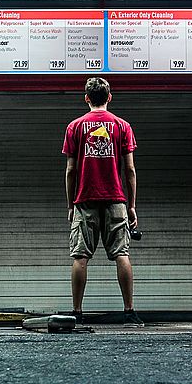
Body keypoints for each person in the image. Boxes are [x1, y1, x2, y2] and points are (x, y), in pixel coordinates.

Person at [62, 77, 143, 327]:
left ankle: (77, 312)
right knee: (122, 254)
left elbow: (70, 171)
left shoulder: (74, 127)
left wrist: (70, 205)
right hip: (115, 198)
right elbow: (129, 170)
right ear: (109, 97)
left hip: (84, 199)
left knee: (80, 257)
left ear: (86, 98)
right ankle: (129, 312)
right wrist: (131, 206)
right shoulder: (122, 126)